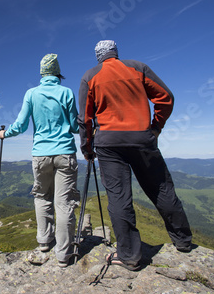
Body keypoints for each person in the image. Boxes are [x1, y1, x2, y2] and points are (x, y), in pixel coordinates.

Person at [78, 40, 192, 271]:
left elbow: (85, 119)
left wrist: (87, 149)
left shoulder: (90, 76)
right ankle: (183, 241)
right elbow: (166, 97)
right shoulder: (138, 68)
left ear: (98, 56)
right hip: (142, 137)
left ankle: (129, 255)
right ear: (116, 53)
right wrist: (156, 126)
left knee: (119, 198)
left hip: (108, 143)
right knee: (161, 188)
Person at [0, 53, 80, 267]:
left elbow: (22, 124)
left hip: (40, 154)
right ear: (57, 72)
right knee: (64, 204)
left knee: (42, 196)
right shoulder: (66, 93)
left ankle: (44, 241)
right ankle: (63, 255)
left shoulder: (31, 94)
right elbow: (74, 126)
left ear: (42, 73)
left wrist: (4, 134)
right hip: (65, 153)